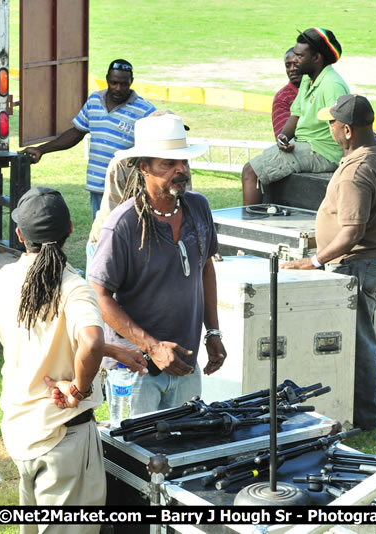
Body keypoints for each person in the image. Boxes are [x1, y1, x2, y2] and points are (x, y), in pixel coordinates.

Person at [0, 187, 146, 534]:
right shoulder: (73, 287)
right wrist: (78, 388)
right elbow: (89, 340)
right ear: (71, 230)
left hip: (21, 429)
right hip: (63, 438)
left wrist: (112, 349)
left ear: (20, 234)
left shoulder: (5, 279)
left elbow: (35, 339)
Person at [88, 113, 227, 416]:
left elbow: (205, 268)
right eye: (168, 163)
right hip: (135, 369)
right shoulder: (123, 225)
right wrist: (152, 347)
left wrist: (213, 333)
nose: (180, 170)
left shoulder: (198, 207)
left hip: (185, 363)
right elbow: (99, 296)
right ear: (144, 168)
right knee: (137, 457)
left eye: (184, 163)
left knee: (185, 452)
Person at [283, 94, 376, 432]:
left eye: (333, 123)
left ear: (348, 130)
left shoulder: (357, 172)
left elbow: (352, 231)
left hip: (357, 264)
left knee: (358, 342)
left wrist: (314, 260)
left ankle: (372, 417)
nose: (330, 127)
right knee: (358, 337)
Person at [21, 59, 157, 218]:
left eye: (124, 84)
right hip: (97, 186)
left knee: (125, 235)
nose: (118, 88)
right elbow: (76, 133)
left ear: (131, 82)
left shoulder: (144, 110)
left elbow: (158, 143)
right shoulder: (94, 101)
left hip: (126, 189)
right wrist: (41, 149)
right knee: (100, 235)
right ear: (107, 79)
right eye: (114, 82)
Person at [241, 27, 349, 205]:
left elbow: (343, 125)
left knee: (251, 172)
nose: (295, 60)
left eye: (300, 56)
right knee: (261, 163)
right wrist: (283, 137)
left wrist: (346, 166)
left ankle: (250, 226)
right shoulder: (308, 79)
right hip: (306, 145)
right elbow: (296, 114)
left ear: (316, 58)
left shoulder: (331, 84)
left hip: (322, 152)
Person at [85, 110, 193, 273]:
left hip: (155, 243)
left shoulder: (181, 165)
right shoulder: (122, 165)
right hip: (109, 242)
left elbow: (182, 204)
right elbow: (113, 218)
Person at [272, 47, 301, 139]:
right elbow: (283, 138)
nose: (292, 69)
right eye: (288, 65)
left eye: (296, 64)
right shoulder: (283, 97)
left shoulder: (320, 88)